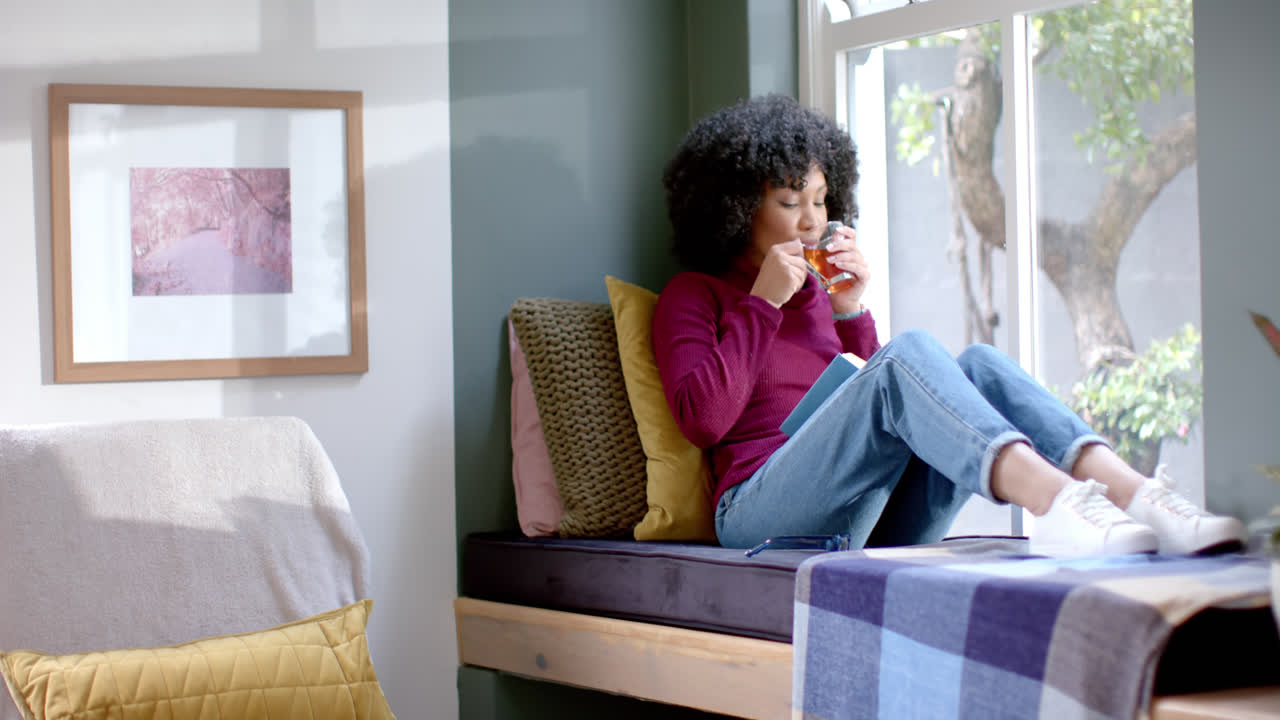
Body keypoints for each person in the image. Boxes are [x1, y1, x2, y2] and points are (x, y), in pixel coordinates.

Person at [652, 94, 1244, 556]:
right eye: (790, 202)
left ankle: (1138, 496)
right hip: (759, 513)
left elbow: (880, 406)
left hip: (871, 517)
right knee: (906, 357)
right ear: (736, 207)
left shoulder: (819, 294)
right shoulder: (694, 295)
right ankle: (1058, 506)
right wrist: (761, 306)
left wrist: (851, 311)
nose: (812, 220)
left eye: (822, 199)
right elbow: (704, 421)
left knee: (980, 365)